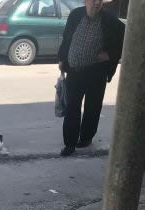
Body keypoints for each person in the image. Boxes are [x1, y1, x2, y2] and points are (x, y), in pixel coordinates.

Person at [57, 0, 125, 157]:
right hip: (74, 71)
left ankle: (86, 137)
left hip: (96, 73)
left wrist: (110, 54)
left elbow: (126, 38)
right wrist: (62, 58)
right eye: (93, 0)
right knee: (72, 107)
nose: (97, 3)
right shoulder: (75, 15)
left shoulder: (110, 20)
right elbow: (67, 38)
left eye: (100, 0)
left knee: (92, 108)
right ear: (85, 1)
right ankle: (70, 144)